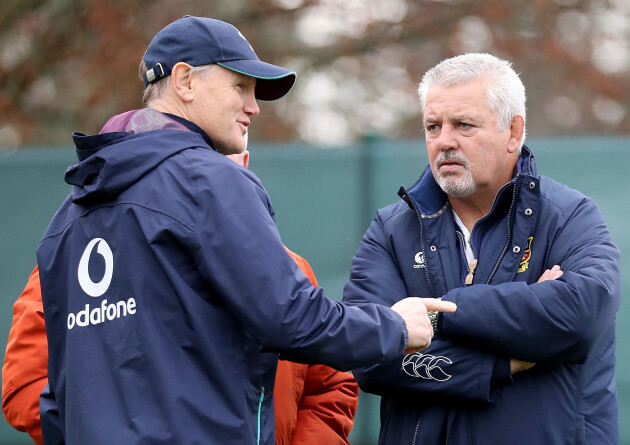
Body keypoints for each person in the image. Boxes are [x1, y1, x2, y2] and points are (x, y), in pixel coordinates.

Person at [29, 16, 456, 444]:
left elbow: (57, 394)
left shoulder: (66, 218)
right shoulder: (207, 179)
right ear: (184, 81)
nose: (253, 106)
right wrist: (395, 327)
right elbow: (291, 319)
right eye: (239, 87)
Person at [342, 53, 621, 445]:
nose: (444, 141)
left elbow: (581, 317)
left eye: (463, 125)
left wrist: (436, 318)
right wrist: (501, 362)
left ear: (513, 131)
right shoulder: (390, 231)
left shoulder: (569, 217)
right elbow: (367, 355)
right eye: (433, 127)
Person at [2, 150, 360, 445]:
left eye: (218, 163)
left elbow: (329, 386)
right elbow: (25, 384)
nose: (203, 180)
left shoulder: (292, 269)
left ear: (244, 164)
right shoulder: (80, 263)